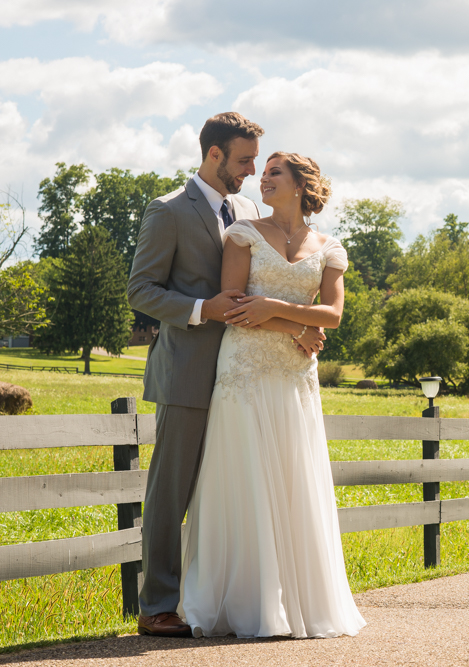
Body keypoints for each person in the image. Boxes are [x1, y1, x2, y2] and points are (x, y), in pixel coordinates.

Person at [177, 151, 366, 638]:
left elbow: (333, 316)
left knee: (292, 477)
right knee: (246, 477)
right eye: (261, 173)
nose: (262, 179)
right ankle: (246, 603)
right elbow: (236, 306)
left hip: (295, 376)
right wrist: (292, 328)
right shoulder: (242, 235)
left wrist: (283, 315)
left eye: (273, 173)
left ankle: (297, 601)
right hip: (244, 368)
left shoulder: (329, 247)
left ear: (302, 184)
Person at [128, 112, 273, 637]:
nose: (252, 170)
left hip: (247, 374)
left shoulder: (249, 209)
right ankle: (158, 605)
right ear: (214, 154)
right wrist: (201, 309)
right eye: (244, 159)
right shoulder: (167, 211)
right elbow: (141, 290)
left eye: (255, 159)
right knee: (172, 492)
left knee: (234, 489)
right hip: (187, 373)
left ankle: (219, 599)